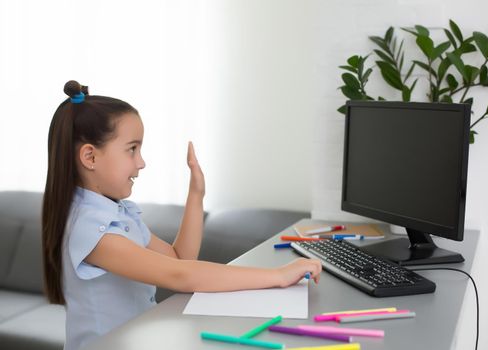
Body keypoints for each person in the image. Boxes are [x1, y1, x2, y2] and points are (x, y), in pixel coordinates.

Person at [41, 80, 322, 350]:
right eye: (132, 149)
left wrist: (196, 194)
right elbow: (179, 274)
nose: (141, 162)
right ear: (90, 157)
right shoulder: (90, 228)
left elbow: (179, 259)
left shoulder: (117, 212)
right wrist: (278, 276)